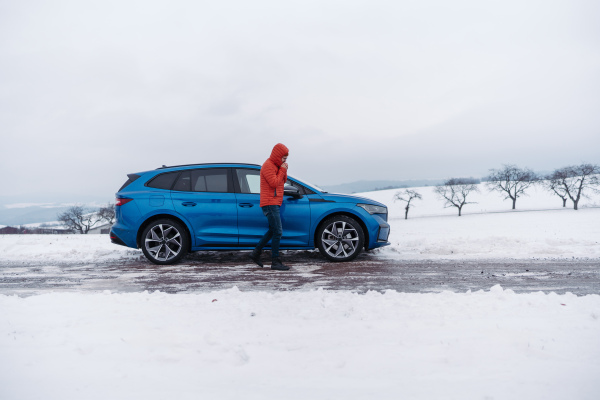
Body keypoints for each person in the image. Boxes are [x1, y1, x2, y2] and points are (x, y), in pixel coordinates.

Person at [249, 143, 290, 270]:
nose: (284, 161)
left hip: (274, 202)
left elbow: (282, 181)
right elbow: (274, 183)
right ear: (277, 156)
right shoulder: (268, 166)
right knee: (278, 231)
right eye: (283, 158)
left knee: (273, 230)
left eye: (286, 159)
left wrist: (284, 169)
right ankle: (275, 262)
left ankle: (255, 253)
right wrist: (282, 169)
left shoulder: (276, 166)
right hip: (270, 203)